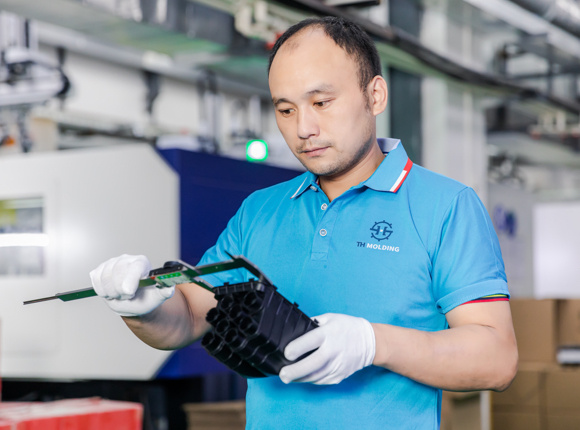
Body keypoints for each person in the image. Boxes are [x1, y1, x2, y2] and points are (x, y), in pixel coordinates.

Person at [90, 16, 518, 429]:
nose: (304, 128)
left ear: (375, 96)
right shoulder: (260, 210)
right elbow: (188, 318)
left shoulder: (446, 206)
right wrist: (144, 309)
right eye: (286, 109)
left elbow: (496, 359)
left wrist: (374, 343)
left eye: (321, 102)